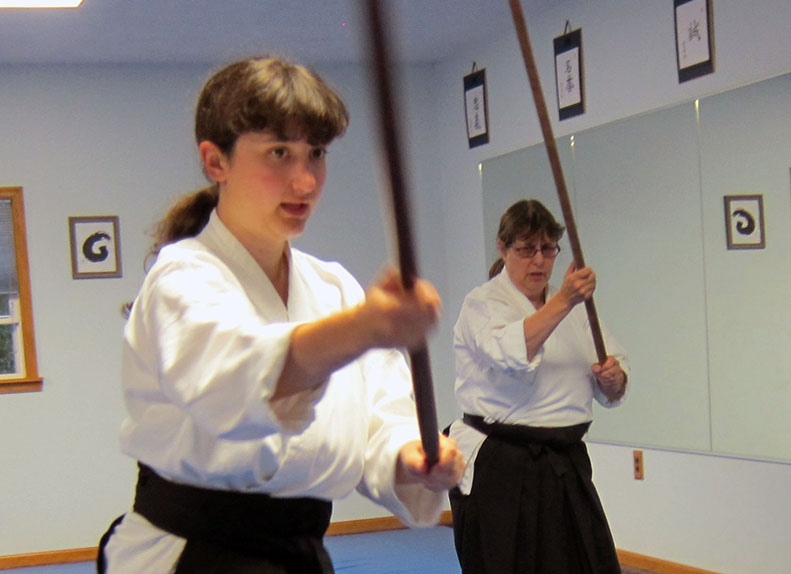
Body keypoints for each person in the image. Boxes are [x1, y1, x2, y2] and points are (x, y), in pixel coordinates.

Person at [98, 56, 464, 574]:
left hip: (299, 552)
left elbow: (379, 417)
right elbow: (234, 381)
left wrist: (410, 455)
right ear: (216, 161)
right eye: (279, 153)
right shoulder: (181, 277)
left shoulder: (333, 288)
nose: (306, 181)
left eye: (316, 153)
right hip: (189, 553)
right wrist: (364, 328)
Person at [447, 199, 629, 574]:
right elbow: (512, 352)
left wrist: (614, 378)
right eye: (527, 249)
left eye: (547, 249)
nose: (539, 261)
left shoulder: (577, 310)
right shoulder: (482, 304)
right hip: (502, 464)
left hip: (565, 462)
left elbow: (613, 376)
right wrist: (564, 299)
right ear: (503, 248)